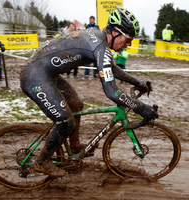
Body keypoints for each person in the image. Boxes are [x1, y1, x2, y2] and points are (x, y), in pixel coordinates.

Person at [20, 6, 158, 178]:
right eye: (128, 39)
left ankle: (75, 146)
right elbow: (111, 92)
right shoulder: (100, 46)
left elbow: (111, 68)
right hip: (36, 76)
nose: (128, 44)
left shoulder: (97, 38)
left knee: (76, 104)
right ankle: (42, 162)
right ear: (115, 32)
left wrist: (136, 82)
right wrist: (139, 107)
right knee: (65, 122)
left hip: (44, 72)